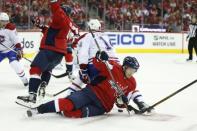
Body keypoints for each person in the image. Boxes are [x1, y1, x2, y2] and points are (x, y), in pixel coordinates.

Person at [25, 54, 153, 118]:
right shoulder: (113, 67)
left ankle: (60, 110)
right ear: (125, 67)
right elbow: (98, 63)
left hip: (103, 107)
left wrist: (121, 102)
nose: (132, 73)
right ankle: (39, 110)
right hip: (92, 93)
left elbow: (121, 104)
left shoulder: (132, 83)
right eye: (131, 69)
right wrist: (99, 56)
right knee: (68, 104)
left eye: (134, 71)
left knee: (71, 114)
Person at [16, 0, 79, 103]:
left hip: (49, 49)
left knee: (35, 69)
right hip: (59, 54)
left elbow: (55, 7)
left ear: (63, 12)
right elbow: (51, 31)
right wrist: (40, 26)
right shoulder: (68, 23)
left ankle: (32, 95)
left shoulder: (61, 17)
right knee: (47, 70)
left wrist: (54, 2)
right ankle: (43, 85)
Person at [64, 19, 119, 96]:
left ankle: (70, 93)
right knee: (111, 82)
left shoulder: (87, 36)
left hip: (97, 65)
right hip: (114, 65)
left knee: (81, 76)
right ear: (99, 27)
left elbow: (83, 53)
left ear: (89, 27)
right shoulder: (106, 36)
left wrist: (83, 70)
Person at [0, 12, 28, 86]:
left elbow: (16, 40)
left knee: (14, 63)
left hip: (11, 50)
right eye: (3, 21)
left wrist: (19, 49)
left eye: (6, 21)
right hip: (0, 51)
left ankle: (24, 79)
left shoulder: (11, 28)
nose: (5, 23)